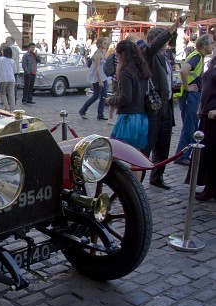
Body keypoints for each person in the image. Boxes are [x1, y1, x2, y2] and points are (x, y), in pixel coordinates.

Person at [140, 16, 187, 189]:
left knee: (163, 144)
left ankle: (157, 177)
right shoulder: (147, 53)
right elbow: (152, 47)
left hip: (166, 106)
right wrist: (174, 26)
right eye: (166, 39)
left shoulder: (165, 57)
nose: (168, 43)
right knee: (147, 145)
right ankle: (137, 180)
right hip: (153, 108)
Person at [106, 40, 151, 177]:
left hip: (129, 118)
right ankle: (136, 190)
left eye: (118, 55)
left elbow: (126, 98)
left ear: (122, 55)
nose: (117, 58)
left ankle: (116, 184)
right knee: (136, 157)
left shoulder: (126, 72)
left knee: (114, 150)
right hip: (142, 117)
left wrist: (110, 100)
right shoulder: (141, 69)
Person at [174, 34, 215, 165]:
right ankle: (182, 155)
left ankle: (183, 154)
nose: (213, 46)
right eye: (212, 43)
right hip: (190, 96)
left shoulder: (198, 56)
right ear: (205, 45)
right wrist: (187, 87)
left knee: (190, 125)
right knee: (190, 126)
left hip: (190, 95)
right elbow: (184, 71)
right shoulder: (197, 57)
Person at [193, 55, 216, 201]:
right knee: (207, 153)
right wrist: (200, 106)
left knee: (213, 154)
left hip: (214, 114)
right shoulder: (213, 60)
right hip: (207, 113)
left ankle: (212, 189)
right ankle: (209, 186)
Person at [79, 37, 109, 120]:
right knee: (95, 96)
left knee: (104, 96)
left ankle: (100, 114)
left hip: (103, 76)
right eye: (104, 43)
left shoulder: (102, 53)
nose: (106, 45)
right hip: (97, 78)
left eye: (106, 43)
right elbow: (96, 69)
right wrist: (99, 81)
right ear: (99, 44)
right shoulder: (97, 54)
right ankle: (82, 110)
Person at [0, 47, 17, 111]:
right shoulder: (12, 61)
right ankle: (13, 108)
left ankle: (7, 106)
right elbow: (14, 70)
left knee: (2, 93)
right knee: (11, 94)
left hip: (3, 78)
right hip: (11, 79)